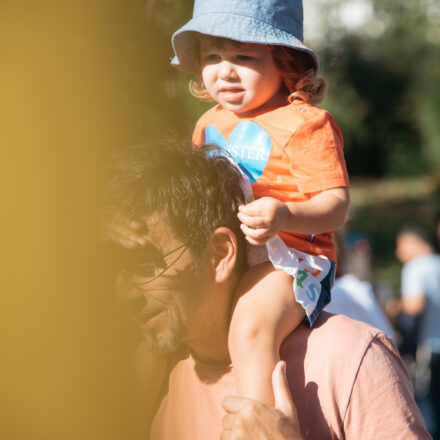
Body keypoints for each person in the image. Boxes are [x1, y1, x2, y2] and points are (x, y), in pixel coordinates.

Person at [106, 141, 430, 439]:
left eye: (145, 264)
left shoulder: (349, 357)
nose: (125, 293)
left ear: (220, 255)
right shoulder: (157, 385)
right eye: (114, 265)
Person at [167, 0, 350, 405]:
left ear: (285, 64)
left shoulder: (305, 123)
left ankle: (259, 424)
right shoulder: (207, 124)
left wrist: (286, 213)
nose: (225, 70)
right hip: (226, 254)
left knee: (250, 327)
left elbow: (336, 205)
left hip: (292, 257)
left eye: (243, 56)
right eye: (212, 55)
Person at [396, 224, 440, 439]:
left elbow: (414, 308)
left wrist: (406, 346)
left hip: (428, 348)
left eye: (401, 246)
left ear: (416, 242)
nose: (398, 253)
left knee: (427, 412)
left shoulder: (415, 268)